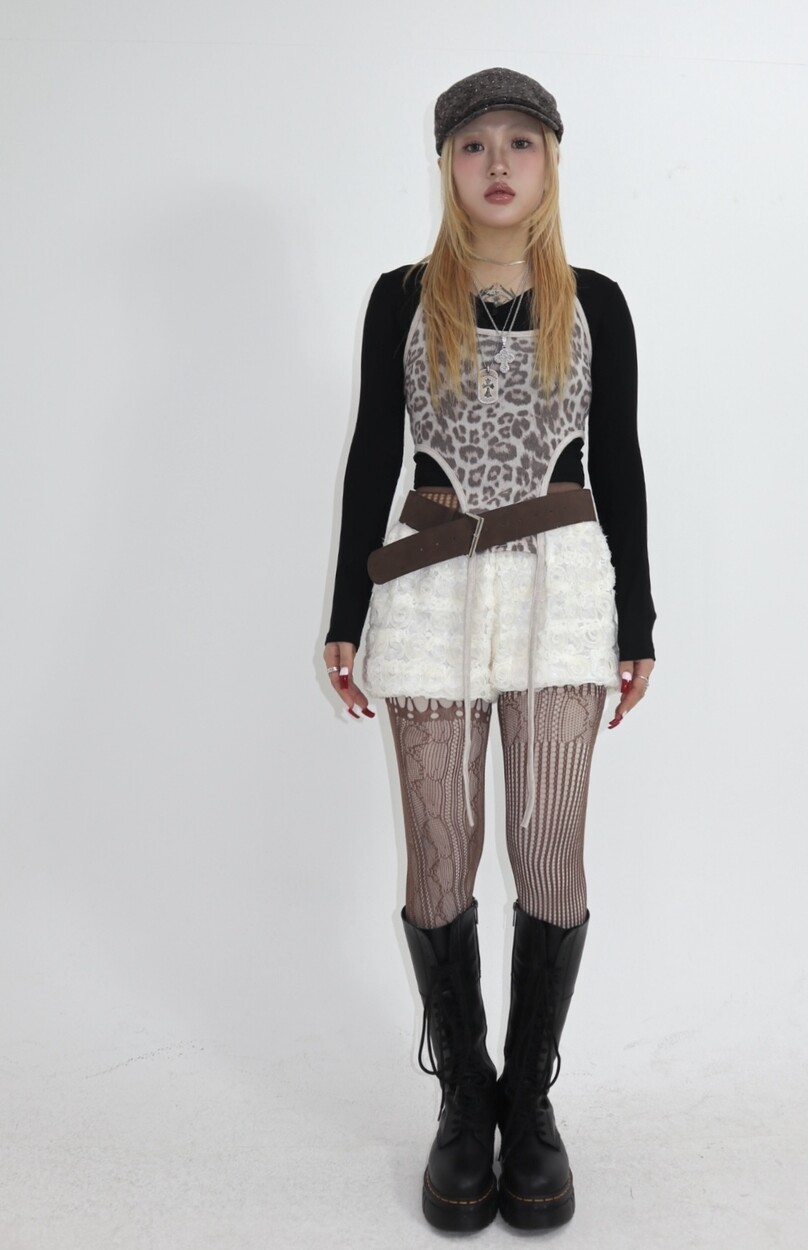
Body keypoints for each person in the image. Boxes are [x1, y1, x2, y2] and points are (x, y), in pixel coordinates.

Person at [322, 67, 655, 1233]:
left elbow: (617, 460)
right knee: (440, 852)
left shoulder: (594, 302)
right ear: (445, 164)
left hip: (562, 591)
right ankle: (465, 1097)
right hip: (431, 587)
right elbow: (374, 451)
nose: (498, 163)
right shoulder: (403, 298)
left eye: (520, 141)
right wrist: (347, 612)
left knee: (546, 846)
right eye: (474, 144)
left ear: (551, 160)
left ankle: (529, 1097)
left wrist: (639, 620)